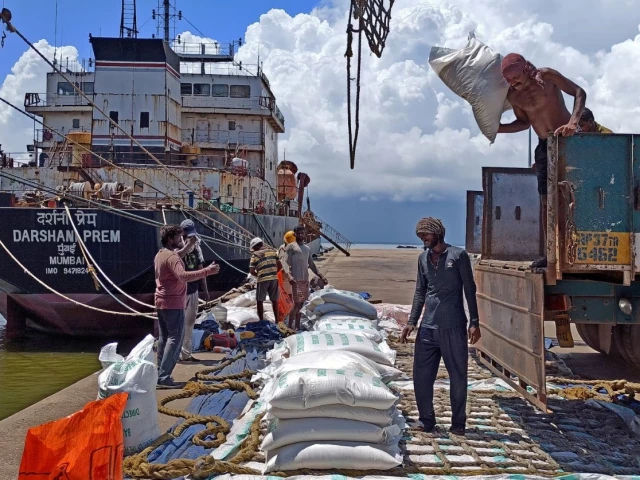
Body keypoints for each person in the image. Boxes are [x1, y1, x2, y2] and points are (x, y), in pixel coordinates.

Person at [498, 53, 586, 269]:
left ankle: (582, 248)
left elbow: (579, 92)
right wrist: (498, 129)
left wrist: (574, 122)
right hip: (544, 146)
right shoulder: (514, 97)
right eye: (509, 80)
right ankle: (550, 254)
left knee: (579, 196)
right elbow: (523, 123)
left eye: (516, 77)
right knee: (547, 201)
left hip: (570, 141)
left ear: (526, 69)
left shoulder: (546, 76)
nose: (513, 83)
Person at [400, 217, 481, 436]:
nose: (423, 239)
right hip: (428, 327)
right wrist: (411, 322)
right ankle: (426, 420)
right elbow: (420, 292)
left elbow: (470, 289)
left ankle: (458, 424)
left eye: (425, 234)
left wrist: (474, 321)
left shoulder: (458, 256)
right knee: (421, 376)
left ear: (437, 233)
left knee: (458, 376)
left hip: (453, 326)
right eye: (420, 236)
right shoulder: (422, 259)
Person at [154, 225, 219, 387]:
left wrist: (189, 246)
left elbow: (176, 256)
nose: (181, 239)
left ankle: (158, 374)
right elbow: (182, 276)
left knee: (163, 338)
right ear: (171, 239)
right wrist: (207, 271)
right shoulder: (173, 258)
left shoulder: (161, 254)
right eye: (178, 237)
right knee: (176, 338)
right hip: (173, 302)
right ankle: (164, 377)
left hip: (161, 301)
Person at [176, 219, 210, 363]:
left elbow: (200, 268)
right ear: (181, 233)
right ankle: (175, 354)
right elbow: (176, 259)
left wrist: (206, 290)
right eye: (187, 235)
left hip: (193, 290)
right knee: (177, 324)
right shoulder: (175, 247)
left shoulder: (197, 247)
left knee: (189, 324)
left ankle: (186, 354)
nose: (190, 238)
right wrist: (188, 245)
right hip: (179, 292)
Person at [285, 225, 328, 330]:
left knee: (301, 305)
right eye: (298, 233)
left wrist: (321, 276)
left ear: (304, 234)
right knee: (296, 304)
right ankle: (290, 327)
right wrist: (289, 276)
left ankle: (298, 326)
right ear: (294, 234)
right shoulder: (291, 247)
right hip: (295, 280)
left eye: (302, 233)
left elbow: (312, 264)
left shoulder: (307, 249)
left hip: (305, 280)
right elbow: (285, 263)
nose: (300, 235)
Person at [249, 237, 282, 323]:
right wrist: (274, 272)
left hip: (263, 279)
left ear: (255, 247)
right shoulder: (273, 252)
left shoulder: (255, 256)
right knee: (274, 300)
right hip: (274, 278)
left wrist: (259, 275)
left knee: (259, 300)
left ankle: (261, 321)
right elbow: (280, 265)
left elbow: (252, 271)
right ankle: (277, 321)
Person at [278, 231, 296, 297]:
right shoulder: (282, 247)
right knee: (285, 291)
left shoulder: (292, 249)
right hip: (284, 272)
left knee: (289, 292)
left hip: (288, 273)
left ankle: (290, 305)